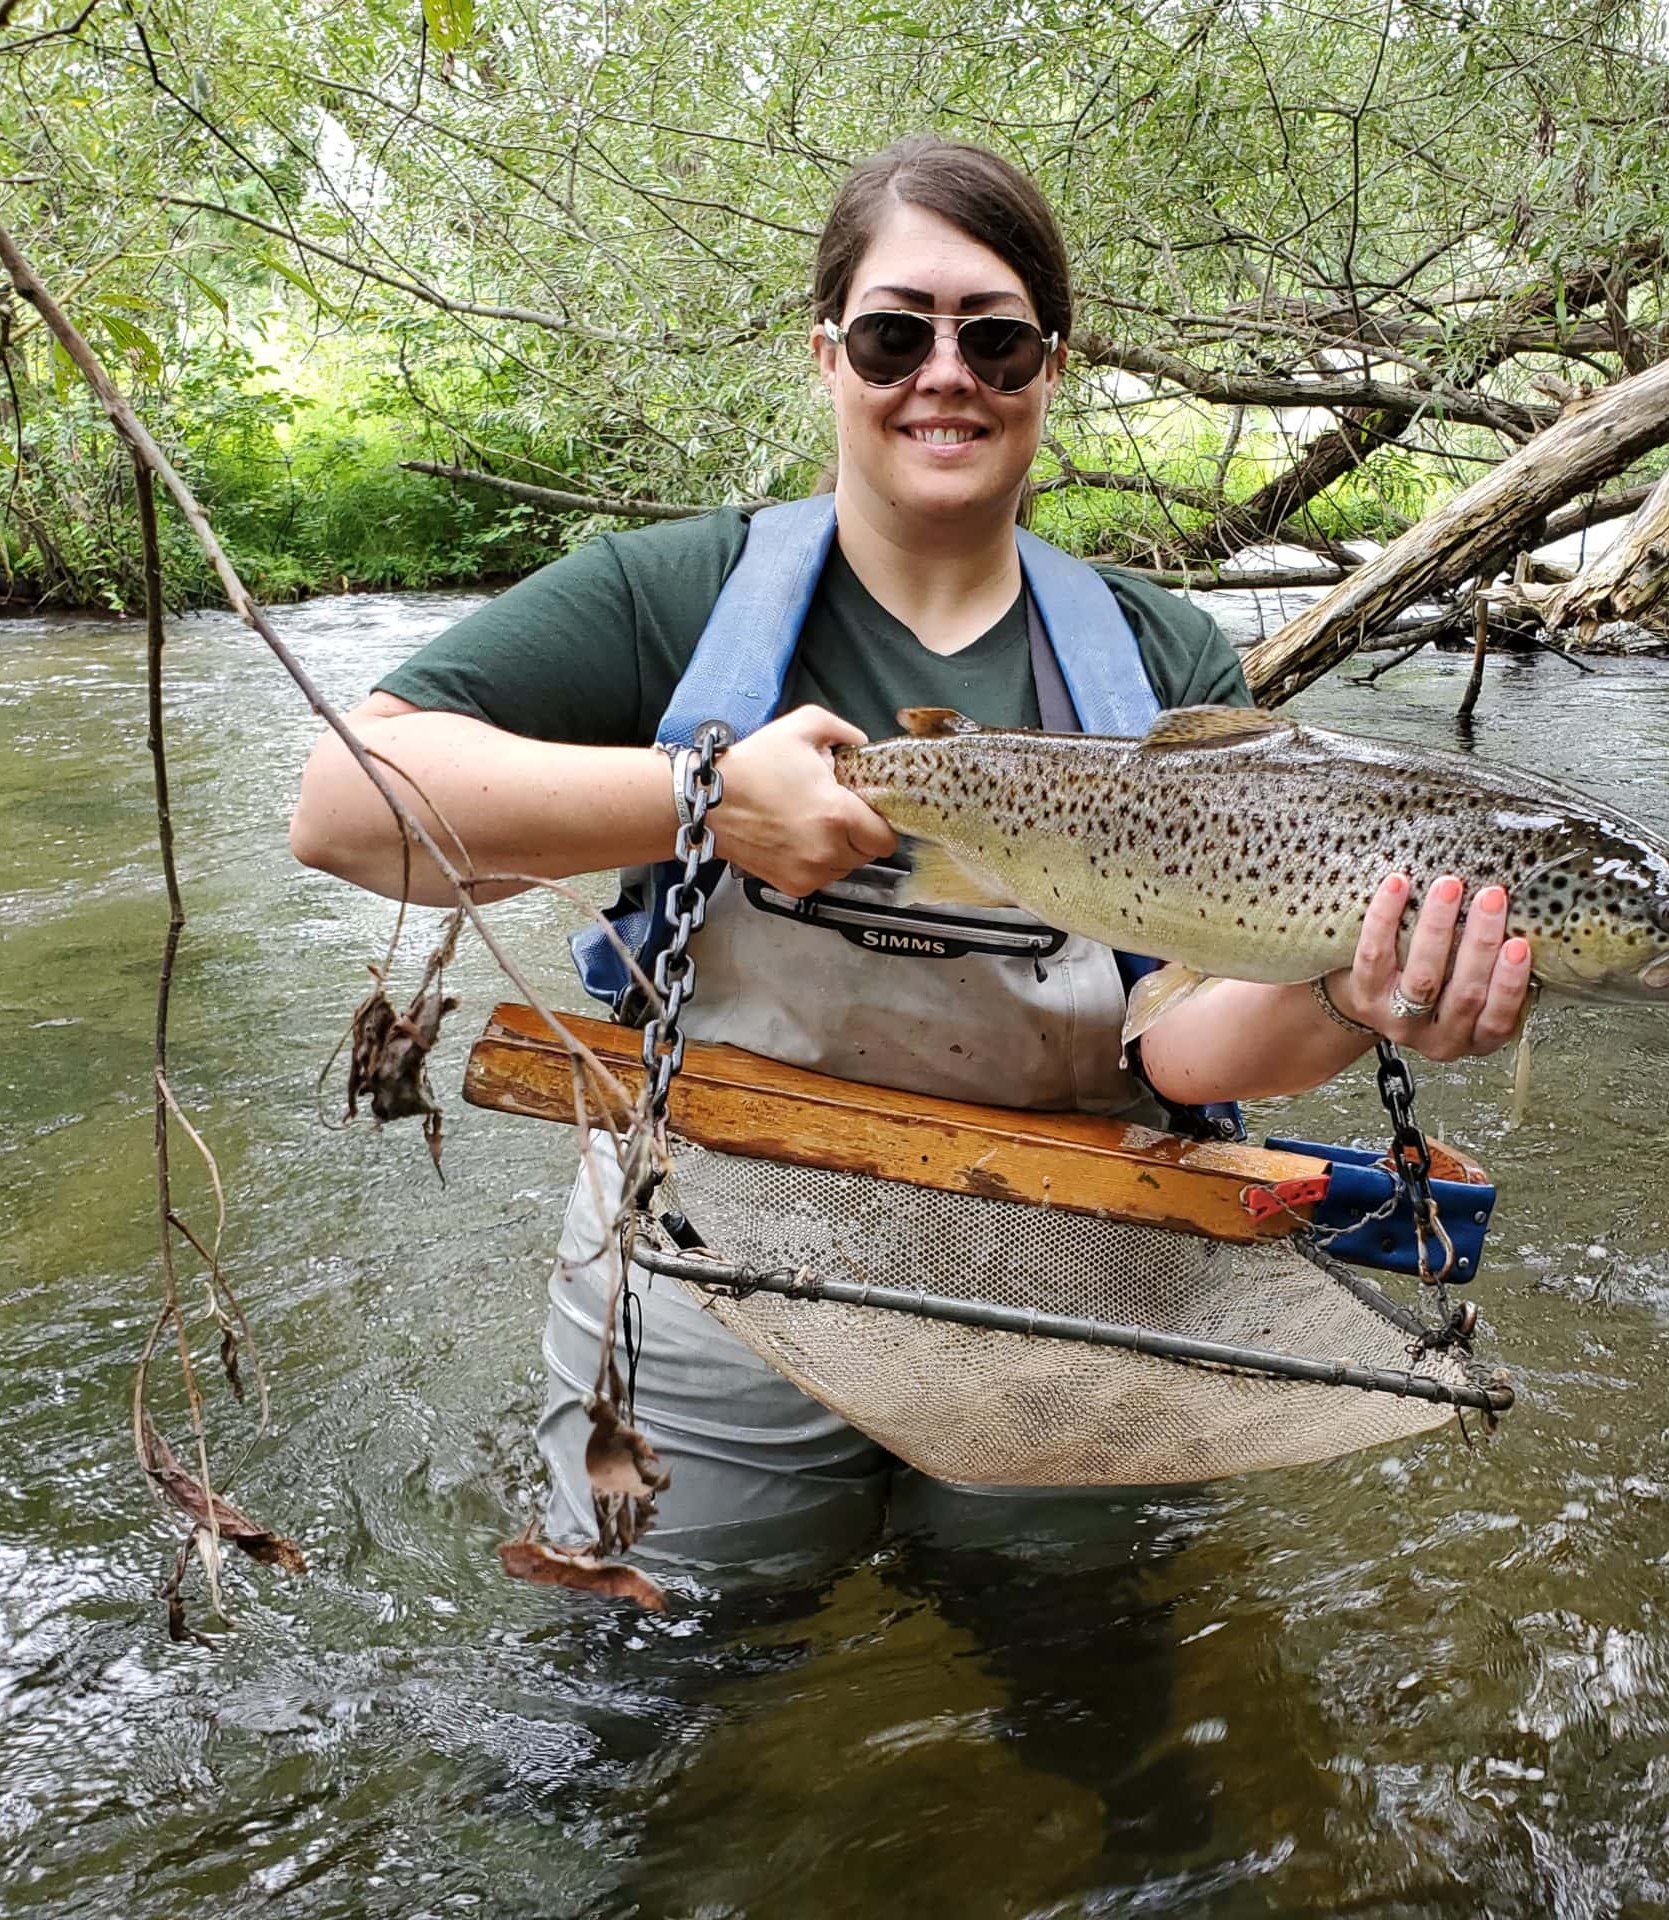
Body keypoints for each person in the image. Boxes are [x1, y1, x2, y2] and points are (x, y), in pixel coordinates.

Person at [289, 134, 1535, 1572]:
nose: (945, 375)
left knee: (1088, 1704)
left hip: (1074, 1267)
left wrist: (1350, 1002)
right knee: (661, 1707)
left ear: (1049, 374)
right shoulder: (668, 592)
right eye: (895, 334)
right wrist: (701, 796)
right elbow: (339, 805)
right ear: (827, 355)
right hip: (715, 1258)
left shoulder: (1162, 657)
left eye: (996, 342)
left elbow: (1183, 1051)